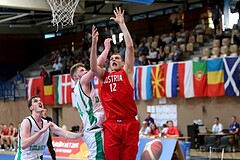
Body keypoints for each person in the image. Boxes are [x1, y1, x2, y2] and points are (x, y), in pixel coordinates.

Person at [90, 7, 139, 160]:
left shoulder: (127, 72)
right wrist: (94, 44)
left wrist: (122, 24)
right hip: (111, 125)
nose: (113, 60)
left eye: (117, 58)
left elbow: (130, 47)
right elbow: (92, 67)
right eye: (111, 59)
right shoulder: (105, 76)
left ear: (123, 62)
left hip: (129, 123)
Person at [70, 26, 111, 160]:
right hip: (94, 131)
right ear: (76, 77)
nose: (85, 72)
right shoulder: (81, 82)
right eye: (82, 71)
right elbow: (95, 66)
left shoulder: (83, 88)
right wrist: (100, 46)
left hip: (94, 129)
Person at [14, 96, 83, 160]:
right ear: (31, 108)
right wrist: (41, 131)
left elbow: (65, 134)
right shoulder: (27, 122)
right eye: (36, 101)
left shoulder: (47, 123)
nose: (39, 102)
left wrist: (80, 134)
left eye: (40, 100)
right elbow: (23, 145)